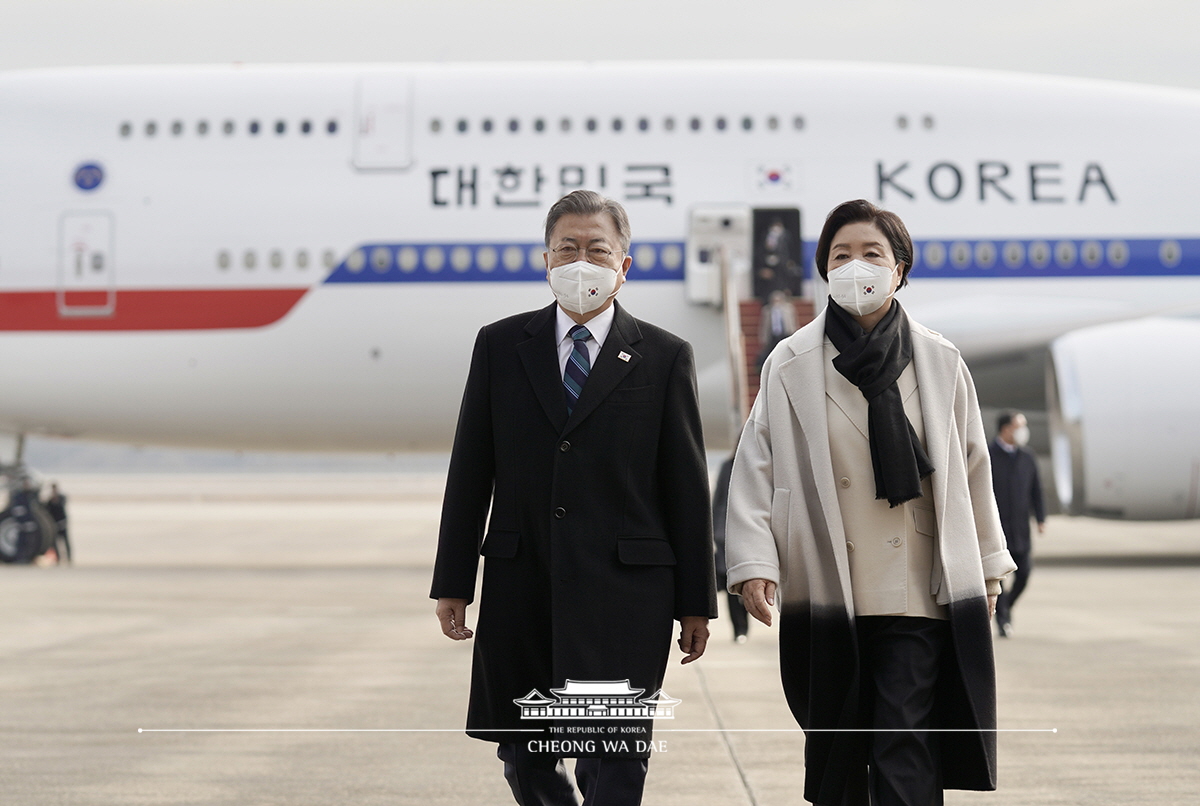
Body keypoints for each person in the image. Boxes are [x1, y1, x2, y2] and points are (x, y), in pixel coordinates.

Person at [725, 199, 1017, 806]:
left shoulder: (940, 359)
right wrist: (753, 561)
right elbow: (756, 463)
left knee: (903, 740)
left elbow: (971, 466)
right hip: (831, 587)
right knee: (838, 750)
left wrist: (987, 565)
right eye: (840, 255)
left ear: (900, 268)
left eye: (871, 254)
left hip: (918, 588)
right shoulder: (791, 363)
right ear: (822, 270)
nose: (855, 266)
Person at [430, 189, 717, 806]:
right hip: (521, 585)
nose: (581, 262)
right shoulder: (501, 346)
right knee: (526, 761)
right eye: (568, 248)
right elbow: (470, 472)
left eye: (597, 249)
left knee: (613, 765)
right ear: (546, 259)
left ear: (624, 265)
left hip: (625, 594)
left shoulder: (664, 357)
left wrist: (697, 600)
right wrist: (453, 581)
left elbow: (686, 489)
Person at [989, 411, 1046, 637]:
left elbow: (1036, 490)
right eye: (1018, 426)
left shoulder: (1027, 456)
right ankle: (1003, 621)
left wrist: (1041, 518)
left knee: (1024, 574)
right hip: (996, 530)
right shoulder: (988, 454)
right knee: (999, 578)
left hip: (1021, 528)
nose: (1023, 430)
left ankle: (1006, 607)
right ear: (1005, 429)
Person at [711, 454, 750, 642]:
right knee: (732, 583)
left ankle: (744, 625)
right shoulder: (728, 465)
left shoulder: (759, 463)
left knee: (749, 580)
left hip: (749, 533)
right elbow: (718, 497)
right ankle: (739, 628)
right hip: (725, 533)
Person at [757, 289, 799, 372]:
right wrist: (763, 338)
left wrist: (794, 334)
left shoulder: (788, 308)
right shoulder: (767, 310)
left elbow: (792, 322)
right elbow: (765, 325)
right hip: (773, 335)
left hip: (785, 334)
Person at [43, 482, 72, 565]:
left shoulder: (61, 497)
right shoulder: (50, 500)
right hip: (54, 524)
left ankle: (69, 558)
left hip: (62, 523)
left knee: (65, 542)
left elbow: (61, 504)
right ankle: (58, 558)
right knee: (55, 543)